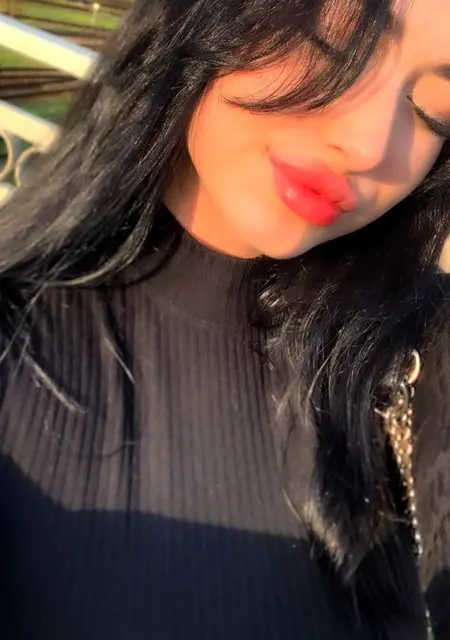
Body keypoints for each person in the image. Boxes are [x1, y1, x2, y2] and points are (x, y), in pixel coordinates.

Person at [0, 0, 449, 637]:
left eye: (432, 110)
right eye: (337, 39)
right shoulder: (16, 358)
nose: (367, 145)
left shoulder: (420, 354)